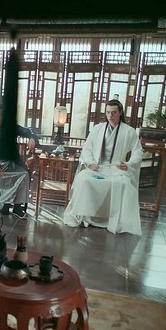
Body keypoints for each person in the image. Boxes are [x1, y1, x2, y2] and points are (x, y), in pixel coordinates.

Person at [63, 99, 143, 235]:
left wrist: (128, 165)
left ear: (120, 112)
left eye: (114, 112)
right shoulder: (97, 129)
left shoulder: (129, 131)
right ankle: (85, 216)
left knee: (121, 183)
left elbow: (138, 152)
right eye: (108, 112)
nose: (110, 115)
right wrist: (90, 163)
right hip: (98, 167)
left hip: (116, 168)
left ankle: (114, 220)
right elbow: (87, 148)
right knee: (83, 180)